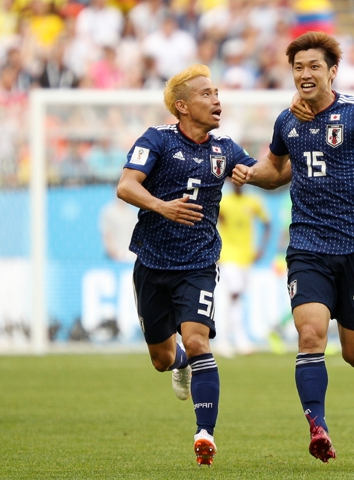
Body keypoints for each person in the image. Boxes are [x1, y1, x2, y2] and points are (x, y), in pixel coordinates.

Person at [231, 31, 354, 463]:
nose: (305, 74)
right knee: (310, 335)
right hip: (306, 244)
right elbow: (276, 170)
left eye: (314, 66)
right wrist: (246, 171)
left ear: (332, 71)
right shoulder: (287, 121)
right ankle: (317, 426)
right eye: (299, 67)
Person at [116, 63, 258, 466]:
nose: (217, 100)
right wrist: (164, 207)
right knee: (163, 358)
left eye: (217, 93)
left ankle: (204, 434)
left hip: (199, 262)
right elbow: (126, 186)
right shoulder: (156, 140)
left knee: (198, 340)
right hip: (152, 261)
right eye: (207, 94)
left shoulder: (225, 147)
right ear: (182, 106)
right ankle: (178, 362)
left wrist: (261, 169)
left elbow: (258, 171)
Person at [216, 183, 271, 356]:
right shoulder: (223, 201)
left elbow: (267, 224)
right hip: (228, 255)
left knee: (237, 298)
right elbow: (213, 220)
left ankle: (236, 339)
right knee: (233, 294)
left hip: (246, 257)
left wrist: (261, 247)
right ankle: (226, 339)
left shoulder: (253, 201)